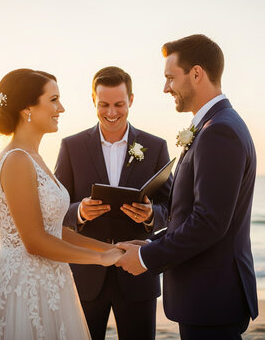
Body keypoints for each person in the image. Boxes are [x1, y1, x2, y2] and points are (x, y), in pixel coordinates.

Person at [0, 69, 124, 340]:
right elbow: (35, 241)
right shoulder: (17, 160)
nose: (61, 108)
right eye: (53, 100)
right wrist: (98, 259)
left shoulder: (34, 158)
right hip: (23, 286)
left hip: (50, 281)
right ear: (28, 108)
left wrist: (111, 249)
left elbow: (53, 229)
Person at [116, 35, 259, 340]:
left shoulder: (219, 131)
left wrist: (146, 260)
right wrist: (152, 243)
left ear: (196, 74)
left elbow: (209, 222)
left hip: (211, 297)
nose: (165, 88)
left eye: (170, 77)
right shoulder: (214, 125)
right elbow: (192, 214)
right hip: (208, 297)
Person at [54, 66, 172, 340]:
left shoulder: (155, 147)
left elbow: (173, 208)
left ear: (131, 99)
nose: (111, 113)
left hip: (138, 273)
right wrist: (79, 212)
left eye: (119, 104)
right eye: (103, 104)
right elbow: (55, 208)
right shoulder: (71, 147)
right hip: (85, 274)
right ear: (93, 100)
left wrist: (151, 215)